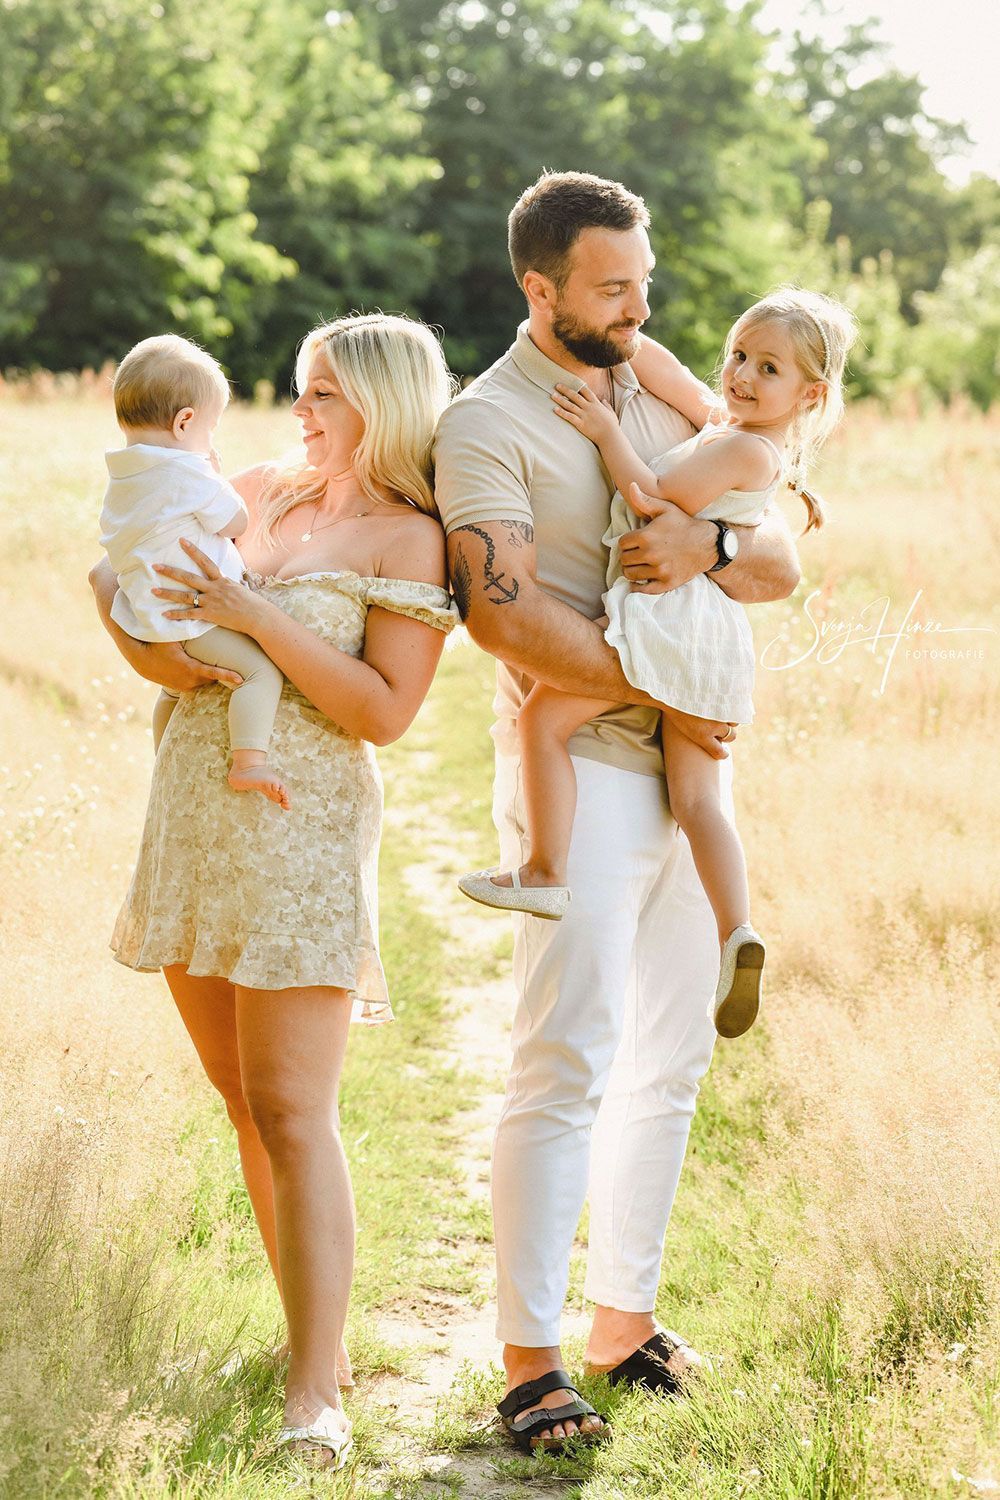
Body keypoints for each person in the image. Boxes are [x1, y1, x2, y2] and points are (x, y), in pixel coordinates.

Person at [433, 171, 802, 1452]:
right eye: (612, 287)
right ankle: (530, 1364)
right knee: (565, 1061)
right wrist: (670, 676)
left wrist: (707, 555)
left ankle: (620, 1323)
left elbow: (782, 548)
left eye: (646, 282)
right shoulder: (484, 426)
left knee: (672, 1061)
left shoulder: (662, 381)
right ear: (540, 290)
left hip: (694, 767)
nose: (641, 308)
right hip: (587, 769)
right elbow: (501, 614)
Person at [90, 312, 458, 1470]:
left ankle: (314, 1391)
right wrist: (124, 616)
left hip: (299, 836)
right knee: (244, 1105)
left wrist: (252, 618)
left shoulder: (410, 540)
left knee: (297, 1112)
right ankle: (321, 1341)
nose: (298, 412)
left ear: (385, 405)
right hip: (194, 810)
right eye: (299, 390)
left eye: (323, 395)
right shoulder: (252, 490)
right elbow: (154, 621)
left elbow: (383, 714)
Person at [460, 287, 857, 1040]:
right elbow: (653, 357)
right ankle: (736, 932)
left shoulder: (742, 447)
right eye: (738, 353)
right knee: (696, 800)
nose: (740, 373)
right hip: (703, 636)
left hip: (668, 622)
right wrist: (608, 324)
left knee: (544, 715)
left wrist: (608, 428)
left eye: (766, 367)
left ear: (810, 395)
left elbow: (648, 497)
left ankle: (544, 870)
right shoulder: (731, 427)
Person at [100, 334, 290, 807]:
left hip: (149, 614)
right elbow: (238, 521)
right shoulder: (189, 473)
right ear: (185, 422)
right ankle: (250, 762)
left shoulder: (123, 474)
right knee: (260, 674)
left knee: (171, 690)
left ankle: (164, 755)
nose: (210, 440)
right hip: (194, 614)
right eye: (211, 428)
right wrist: (217, 477)